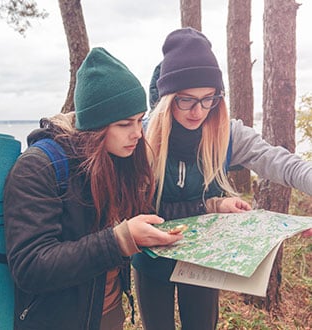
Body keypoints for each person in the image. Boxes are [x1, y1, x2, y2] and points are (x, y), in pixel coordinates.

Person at [132, 27, 312, 330]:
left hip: (205, 262)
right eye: (186, 100)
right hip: (151, 262)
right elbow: (135, 210)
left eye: (209, 99)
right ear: (167, 98)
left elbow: (281, 162)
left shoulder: (226, 134)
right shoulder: (141, 138)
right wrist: (212, 206)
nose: (198, 111)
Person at [3, 47, 183, 330]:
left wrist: (210, 208)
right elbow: (30, 266)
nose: (137, 133)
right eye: (125, 123)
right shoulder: (38, 168)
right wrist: (119, 241)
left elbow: (145, 213)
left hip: (109, 314)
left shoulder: (119, 158)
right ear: (95, 126)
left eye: (139, 120)